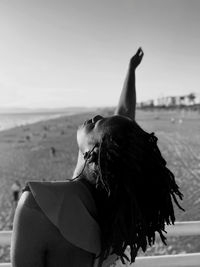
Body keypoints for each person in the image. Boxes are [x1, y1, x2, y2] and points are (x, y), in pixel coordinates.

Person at [11, 48, 184, 267]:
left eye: (97, 124)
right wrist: (131, 69)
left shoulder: (40, 205)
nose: (96, 116)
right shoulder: (116, 211)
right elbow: (124, 117)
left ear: (93, 157)